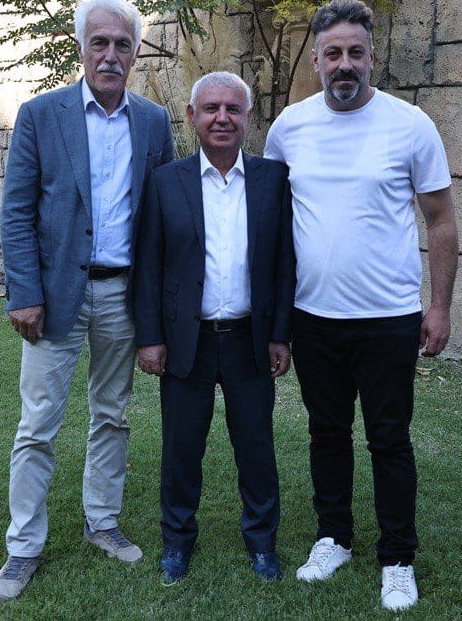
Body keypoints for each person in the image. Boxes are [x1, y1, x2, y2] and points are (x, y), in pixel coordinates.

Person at [263, 0, 459, 611]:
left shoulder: (410, 125)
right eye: (333, 54)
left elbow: (441, 221)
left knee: (389, 440)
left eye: (355, 52)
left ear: (372, 56)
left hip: (388, 319)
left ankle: (397, 557)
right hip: (313, 318)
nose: (344, 64)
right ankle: (334, 538)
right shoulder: (288, 128)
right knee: (326, 434)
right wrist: (276, 319)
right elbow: (273, 225)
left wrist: (439, 307)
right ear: (316, 61)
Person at [0, 0, 175, 602]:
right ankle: (24, 546)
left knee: (112, 415)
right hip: (55, 297)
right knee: (38, 424)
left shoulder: (154, 122)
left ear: (136, 51)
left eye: (123, 44)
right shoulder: (41, 115)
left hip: (122, 295)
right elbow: (16, 212)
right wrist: (24, 292)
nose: (111, 55)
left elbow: (160, 219)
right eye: (100, 43)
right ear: (81, 48)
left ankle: (102, 521)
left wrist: (156, 310)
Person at [134, 71, 294, 584]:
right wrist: (150, 338)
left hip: (250, 339)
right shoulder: (166, 182)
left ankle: (262, 542)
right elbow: (149, 265)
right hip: (188, 341)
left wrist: (280, 334)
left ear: (248, 117)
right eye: (211, 109)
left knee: (256, 446)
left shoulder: (273, 179)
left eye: (232, 109)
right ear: (192, 117)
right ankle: (177, 541)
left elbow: (284, 263)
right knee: (181, 448)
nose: (222, 118)